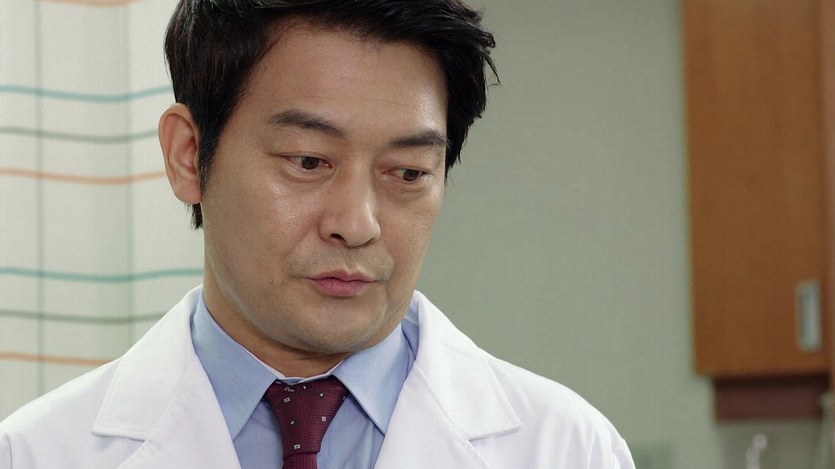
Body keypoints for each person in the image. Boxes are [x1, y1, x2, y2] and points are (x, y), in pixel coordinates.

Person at [0, 1, 635, 468]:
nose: (357, 225)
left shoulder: (568, 450)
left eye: (408, 172)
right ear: (189, 156)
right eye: (308, 162)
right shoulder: (37, 453)